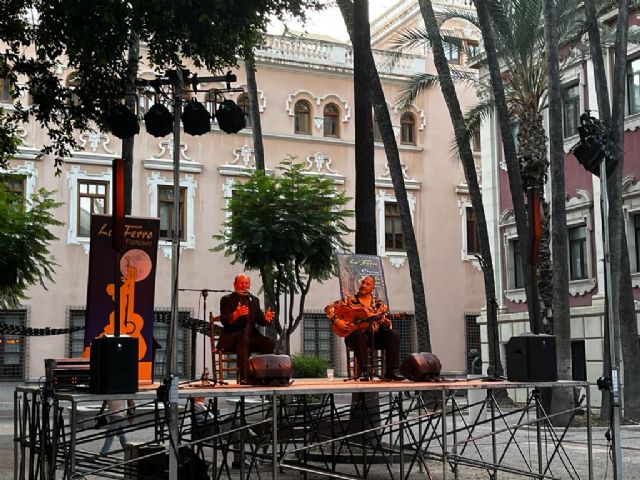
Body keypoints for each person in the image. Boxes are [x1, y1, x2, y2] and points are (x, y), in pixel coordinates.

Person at [325, 276, 404, 381]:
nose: (363, 285)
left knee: (394, 335)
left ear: (373, 288)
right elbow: (329, 308)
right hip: (353, 336)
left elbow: (386, 324)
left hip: (374, 337)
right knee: (359, 334)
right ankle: (364, 371)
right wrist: (337, 321)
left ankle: (391, 371)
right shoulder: (349, 300)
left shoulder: (380, 305)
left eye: (367, 284)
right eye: (363, 283)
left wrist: (385, 324)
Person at [218, 274, 275, 384]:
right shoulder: (226, 299)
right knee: (242, 338)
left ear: (249, 285)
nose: (244, 285)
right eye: (241, 283)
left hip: (251, 337)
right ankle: (245, 377)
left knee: (270, 342)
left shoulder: (254, 300)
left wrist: (267, 319)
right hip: (232, 337)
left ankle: (260, 373)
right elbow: (224, 321)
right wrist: (235, 314)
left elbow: (260, 320)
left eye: (246, 283)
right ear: (235, 285)